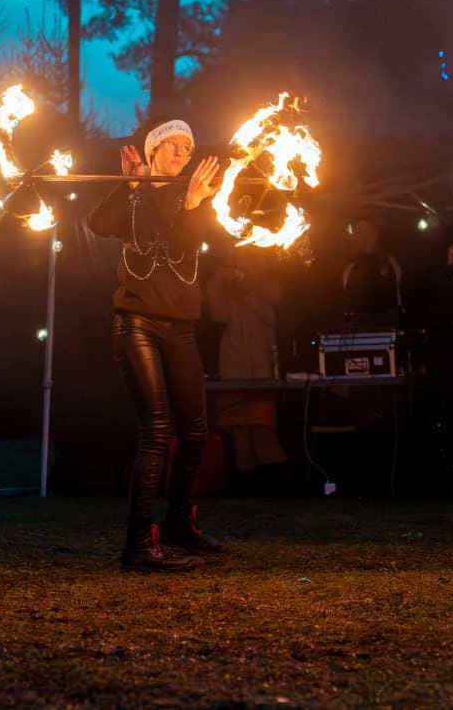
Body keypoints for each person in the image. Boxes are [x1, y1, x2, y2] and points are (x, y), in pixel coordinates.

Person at [86, 117, 224, 571]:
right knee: (157, 432)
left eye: (188, 148)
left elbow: (184, 239)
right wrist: (130, 187)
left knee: (197, 431)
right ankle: (138, 543)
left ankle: (180, 524)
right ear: (152, 154)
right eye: (173, 146)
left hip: (181, 326)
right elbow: (98, 222)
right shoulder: (140, 196)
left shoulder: (197, 199)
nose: (182, 155)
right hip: (138, 323)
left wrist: (193, 201)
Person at [206, 251, 287, 485]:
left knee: (262, 426)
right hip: (234, 364)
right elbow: (219, 315)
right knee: (238, 428)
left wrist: (246, 290)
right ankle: (245, 488)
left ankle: (275, 485)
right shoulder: (225, 285)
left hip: (261, 365)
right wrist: (217, 285)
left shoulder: (268, 283)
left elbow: (271, 315)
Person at [340, 215, 402, 321]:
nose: (364, 237)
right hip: (354, 330)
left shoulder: (392, 264)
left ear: (377, 234)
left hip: (387, 328)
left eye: (369, 231)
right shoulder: (346, 267)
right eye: (359, 232)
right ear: (354, 236)